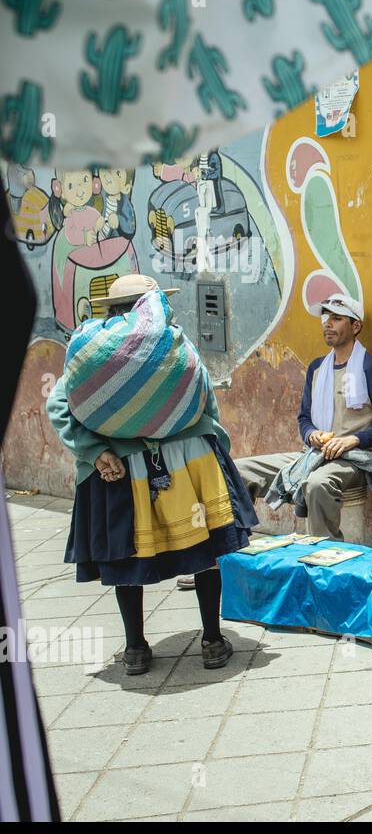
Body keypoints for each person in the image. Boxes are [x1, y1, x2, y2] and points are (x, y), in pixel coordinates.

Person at [45, 274, 257, 675]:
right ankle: (212, 640)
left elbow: (61, 404)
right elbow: (203, 393)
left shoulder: (91, 350)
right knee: (207, 550)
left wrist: (95, 451)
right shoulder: (172, 343)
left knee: (128, 552)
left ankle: (136, 649)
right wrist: (217, 453)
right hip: (189, 458)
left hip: (122, 469)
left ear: (113, 309)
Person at [233, 293, 372, 543]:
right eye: (325, 318)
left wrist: (352, 440)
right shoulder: (317, 368)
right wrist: (312, 434)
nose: (327, 324)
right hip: (313, 453)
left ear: (355, 326)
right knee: (240, 470)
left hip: (354, 459)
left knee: (318, 484)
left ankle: (325, 557)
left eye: (337, 318)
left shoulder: (369, 368)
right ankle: (235, 548)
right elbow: (304, 419)